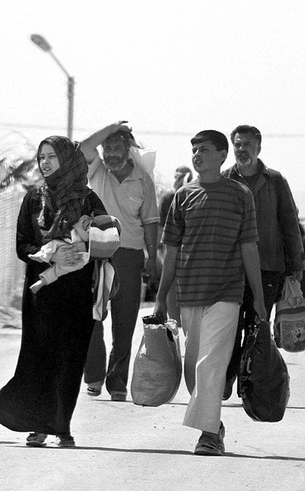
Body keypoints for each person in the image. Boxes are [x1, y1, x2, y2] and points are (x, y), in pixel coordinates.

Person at [154, 129, 266, 456]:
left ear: (222, 155)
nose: (197, 156)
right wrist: (162, 297)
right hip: (188, 292)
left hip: (227, 291)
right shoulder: (183, 197)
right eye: (194, 151)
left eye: (203, 150)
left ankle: (208, 436)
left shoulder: (240, 194)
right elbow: (171, 251)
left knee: (211, 364)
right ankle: (214, 423)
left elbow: (249, 248)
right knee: (193, 368)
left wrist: (257, 296)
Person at [0, 135, 107, 448]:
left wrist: (83, 248)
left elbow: (109, 240)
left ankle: (61, 426)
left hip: (78, 293)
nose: (44, 163)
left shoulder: (89, 199)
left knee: (70, 360)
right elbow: (21, 245)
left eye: (52, 156)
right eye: (41, 157)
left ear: (67, 159)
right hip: (41, 294)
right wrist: (50, 253)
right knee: (38, 358)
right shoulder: (32, 198)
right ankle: (37, 422)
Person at [221, 125, 304, 399]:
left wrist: (296, 266)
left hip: (269, 267)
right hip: (231, 269)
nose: (242, 149)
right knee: (229, 328)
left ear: (258, 148)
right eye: (238, 144)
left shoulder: (275, 181)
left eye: (247, 144)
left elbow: (289, 223)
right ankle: (226, 378)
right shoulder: (223, 180)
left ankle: (252, 382)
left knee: (257, 327)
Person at [80, 121, 160, 401]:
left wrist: (152, 256)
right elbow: (84, 147)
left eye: (118, 147)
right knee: (92, 317)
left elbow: (150, 221)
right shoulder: (97, 171)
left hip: (129, 254)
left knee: (124, 324)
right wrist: (111, 127)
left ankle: (117, 382)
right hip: (97, 252)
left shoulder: (143, 179)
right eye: (108, 148)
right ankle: (94, 376)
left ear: (128, 150)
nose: (112, 153)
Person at [157, 165, 194, 332]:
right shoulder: (168, 198)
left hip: (191, 258)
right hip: (173, 255)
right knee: (173, 308)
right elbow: (161, 230)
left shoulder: (194, 196)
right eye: (177, 177)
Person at [28, 214, 92, 293]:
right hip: (67, 246)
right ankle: (41, 258)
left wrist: (79, 228)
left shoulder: (92, 224)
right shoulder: (80, 219)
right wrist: (53, 257)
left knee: (57, 271)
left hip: (80, 258)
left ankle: (43, 279)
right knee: (53, 245)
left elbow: (88, 238)